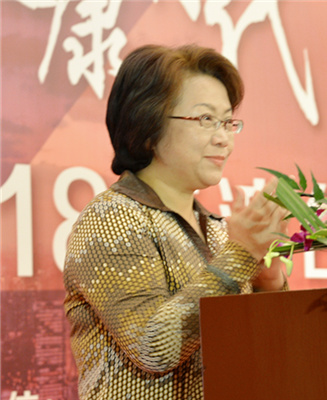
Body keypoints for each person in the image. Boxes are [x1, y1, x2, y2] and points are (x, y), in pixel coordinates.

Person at [63, 44, 289, 400]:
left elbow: (267, 349)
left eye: (228, 122)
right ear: (148, 125)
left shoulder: (218, 230)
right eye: (205, 119)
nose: (224, 139)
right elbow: (154, 348)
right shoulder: (111, 218)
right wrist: (241, 255)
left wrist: (269, 284)